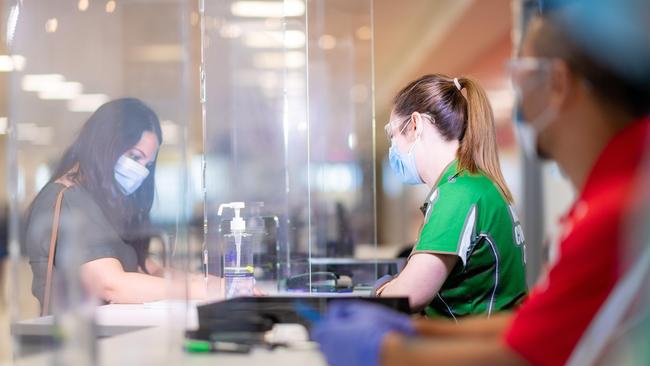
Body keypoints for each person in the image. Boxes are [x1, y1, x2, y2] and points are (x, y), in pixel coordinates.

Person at [311, 1, 650, 365]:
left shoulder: (615, 211)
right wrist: (413, 332)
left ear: (558, 83)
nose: (520, 104)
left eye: (523, 77)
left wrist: (384, 350)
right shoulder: (610, 195)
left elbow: (519, 353)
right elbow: (529, 326)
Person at [25, 98, 218, 313]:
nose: (141, 172)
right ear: (104, 144)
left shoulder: (104, 203)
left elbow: (149, 271)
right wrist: (198, 289)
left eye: (148, 164)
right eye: (135, 157)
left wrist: (208, 282)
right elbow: (111, 285)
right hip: (76, 342)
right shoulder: (68, 199)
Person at [375, 74, 527, 317]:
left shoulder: (458, 194)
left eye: (392, 134)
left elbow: (408, 296)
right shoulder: (474, 184)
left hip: (474, 349)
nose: (393, 148)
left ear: (415, 125)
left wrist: (380, 290)